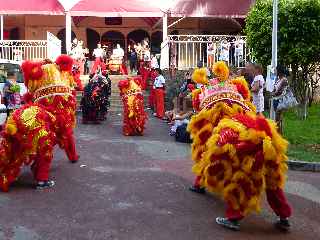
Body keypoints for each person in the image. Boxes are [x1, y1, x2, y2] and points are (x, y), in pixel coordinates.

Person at [188, 61, 292, 232]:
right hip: (264, 134)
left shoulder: (207, 96)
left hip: (242, 139)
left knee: (238, 174)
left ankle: (234, 218)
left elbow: (199, 110)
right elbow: (246, 100)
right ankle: (284, 216)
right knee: (272, 177)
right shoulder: (234, 88)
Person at [272, 66, 289, 134]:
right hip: (276, 99)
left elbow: (278, 91)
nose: (275, 72)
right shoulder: (279, 79)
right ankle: (279, 132)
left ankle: (278, 133)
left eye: (276, 70)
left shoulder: (283, 80)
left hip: (280, 100)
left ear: (279, 72)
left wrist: (272, 93)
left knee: (278, 118)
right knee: (278, 117)